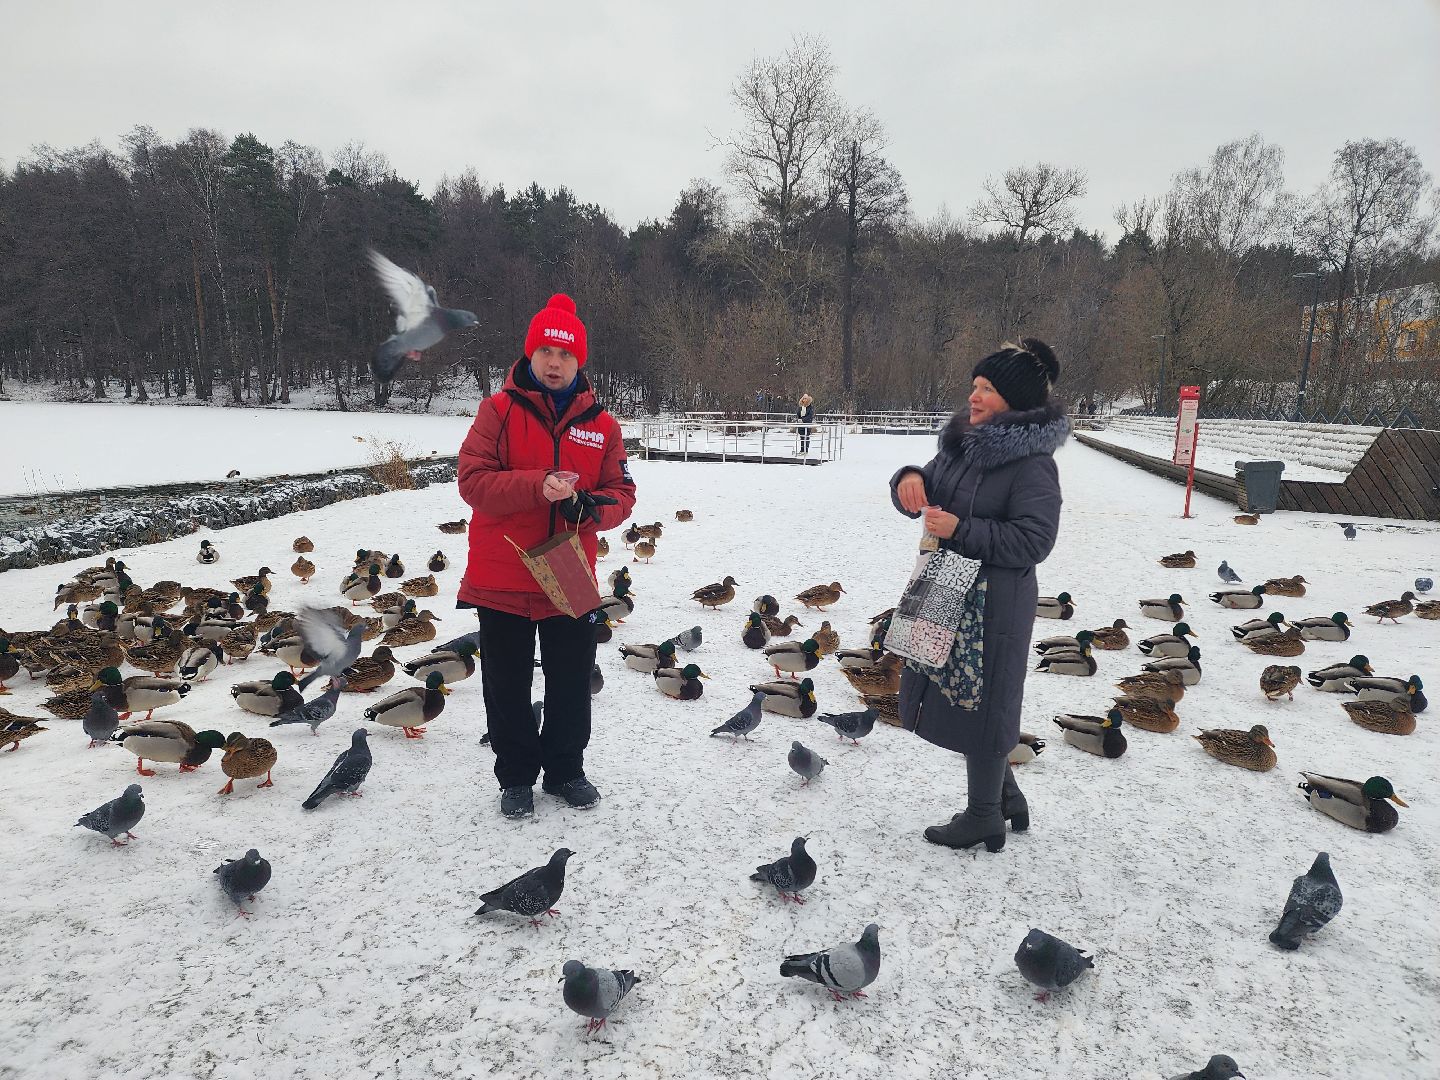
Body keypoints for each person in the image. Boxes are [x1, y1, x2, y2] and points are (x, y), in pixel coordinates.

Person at [457, 294, 636, 819]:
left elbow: (621, 494)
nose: (555, 363)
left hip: (568, 570)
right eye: (546, 352)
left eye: (566, 354)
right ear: (530, 355)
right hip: (503, 567)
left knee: (571, 677)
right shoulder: (498, 411)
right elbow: (473, 483)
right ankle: (515, 776)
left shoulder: (601, 425)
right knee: (506, 683)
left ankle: (565, 770)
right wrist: (539, 487)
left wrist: (589, 508)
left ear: (580, 362)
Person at [890, 338, 1068, 851]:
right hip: (947, 588)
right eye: (975, 386)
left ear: (1012, 399)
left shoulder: (1033, 464)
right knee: (957, 699)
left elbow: (1036, 540)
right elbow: (931, 485)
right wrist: (907, 480)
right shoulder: (963, 444)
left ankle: (985, 816)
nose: (974, 396)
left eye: (987, 389)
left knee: (985, 703)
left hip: (994, 603)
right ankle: (1004, 793)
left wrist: (961, 529)